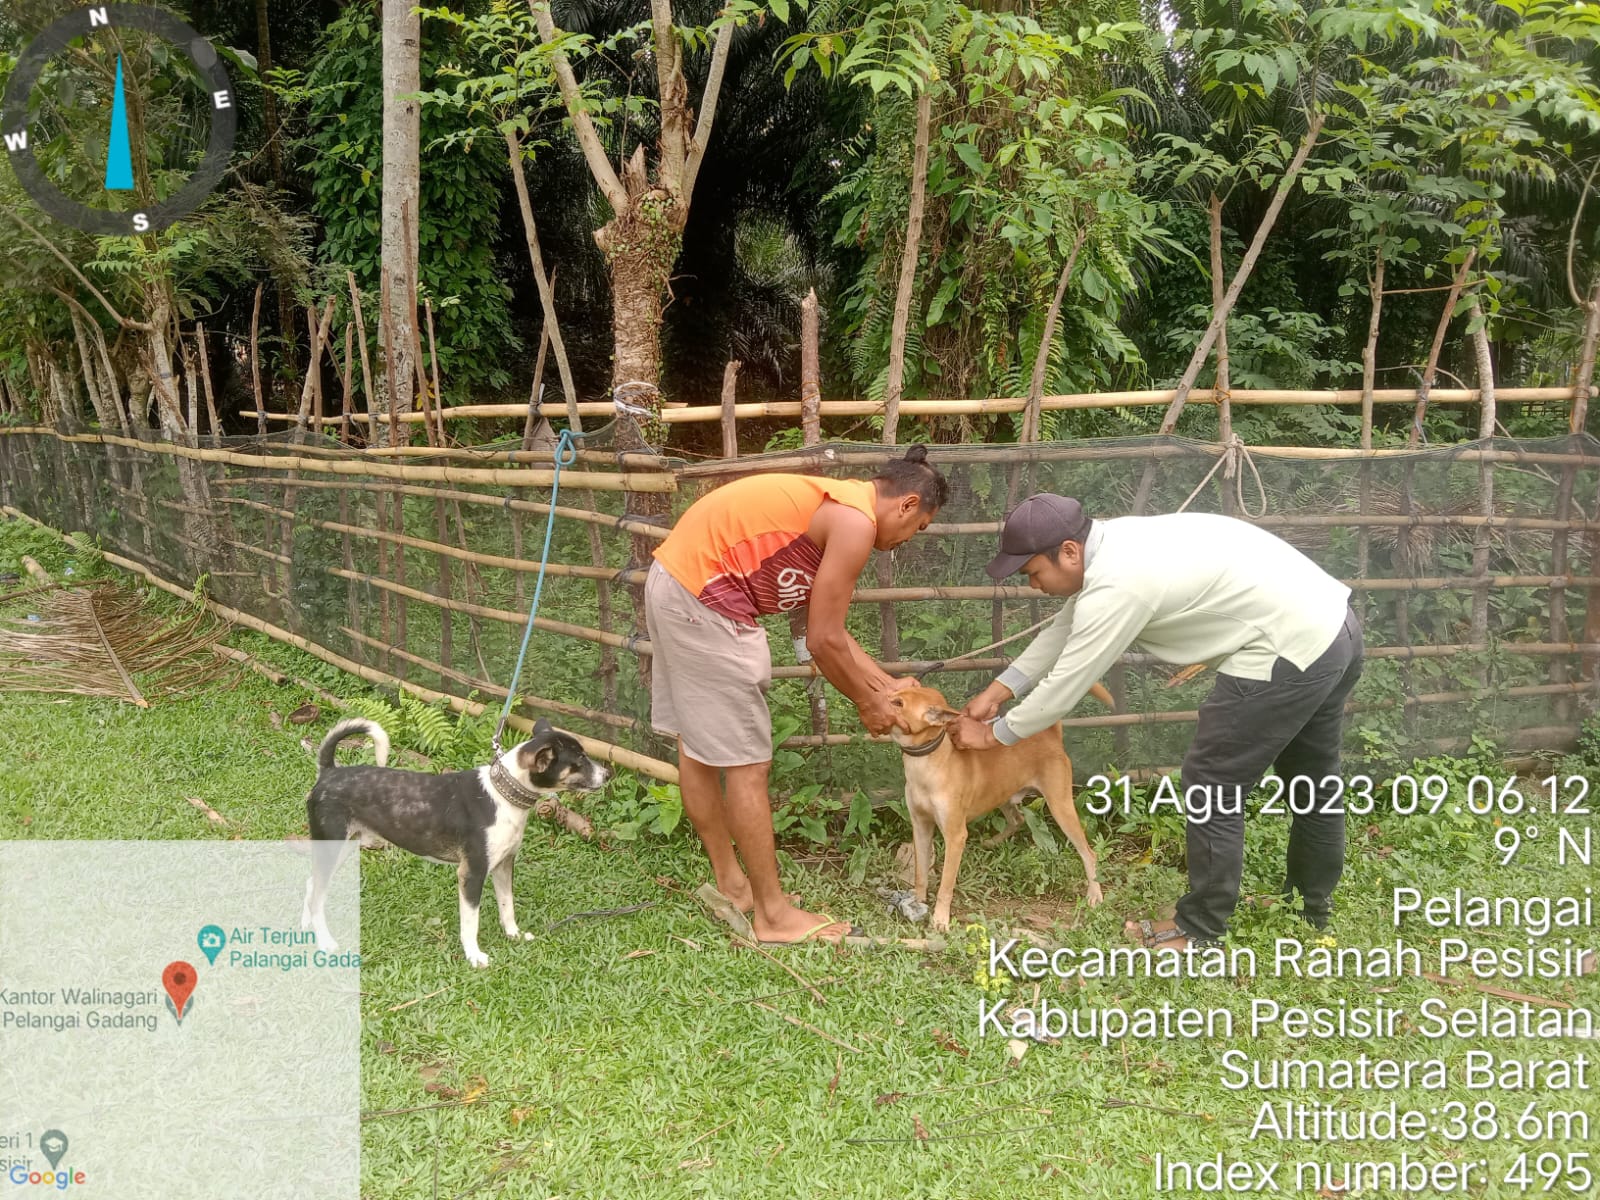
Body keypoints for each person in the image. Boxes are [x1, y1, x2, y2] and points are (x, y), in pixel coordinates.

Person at [950, 493, 1363, 948]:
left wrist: (994, 735)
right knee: (1313, 780)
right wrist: (999, 690)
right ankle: (1308, 909)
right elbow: (1064, 630)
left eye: (1033, 573)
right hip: (1334, 628)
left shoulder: (1120, 585)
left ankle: (1200, 929)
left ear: (1068, 551)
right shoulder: (1114, 543)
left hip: (1284, 649)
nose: (1032, 586)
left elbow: (1065, 686)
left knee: (1212, 780)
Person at [647, 447, 951, 944]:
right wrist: (867, 702)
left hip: (678, 584)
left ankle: (733, 886)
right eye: (918, 527)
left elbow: (824, 627)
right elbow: (822, 642)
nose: (907, 540)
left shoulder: (838, 507)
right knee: (747, 766)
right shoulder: (855, 523)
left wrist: (885, 685)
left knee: (696, 749)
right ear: (907, 503)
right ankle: (772, 916)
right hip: (706, 602)